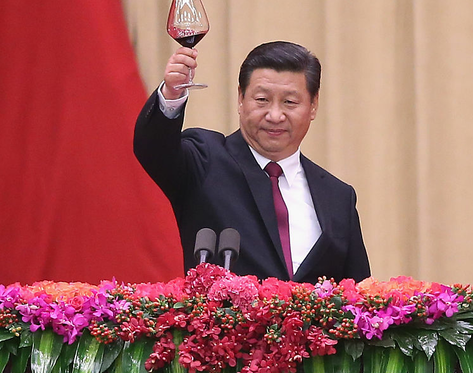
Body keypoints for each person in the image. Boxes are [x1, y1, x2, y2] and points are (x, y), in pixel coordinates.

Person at [134, 41, 370, 284]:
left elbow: (359, 293)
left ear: (313, 106)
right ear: (241, 98)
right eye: (262, 99)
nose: (275, 115)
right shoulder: (205, 160)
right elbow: (153, 149)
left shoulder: (338, 197)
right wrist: (171, 95)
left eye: (289, 102)